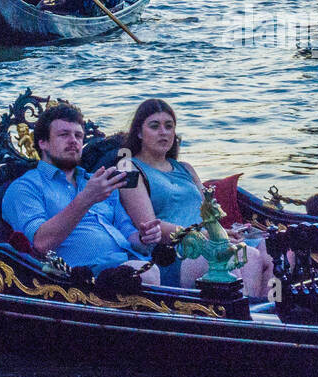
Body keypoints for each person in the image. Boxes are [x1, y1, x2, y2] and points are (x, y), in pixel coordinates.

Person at [116, 99, 272, 296]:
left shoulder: (186, 169)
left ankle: (271, 314)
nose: (163, 132)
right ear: (139, 132)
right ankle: (243, 318)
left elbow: (209, 215)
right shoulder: (129, 169)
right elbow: (149, 225)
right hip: (175, 251)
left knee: (273, 251)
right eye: (155, 126)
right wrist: (207, 236)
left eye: (169, 126)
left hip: (209, 240)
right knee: (248, 255)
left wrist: (223, 232)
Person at [2, 103, 164, 277]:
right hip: (79, 279)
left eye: (78, 135)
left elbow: (126, 231)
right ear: (43, 143)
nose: (74, 141)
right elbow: (40, 243)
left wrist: (143, 238)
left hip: (129, 262)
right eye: (64, 135)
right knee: (149, 273)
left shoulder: (96, 181)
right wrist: (86, 199)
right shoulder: (25, 188)